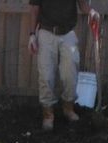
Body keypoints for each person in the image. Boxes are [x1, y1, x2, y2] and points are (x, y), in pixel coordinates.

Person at [27, 0, 101, 131]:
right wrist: (32, 35)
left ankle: (68, 108)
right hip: (46, 33)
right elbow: (34, 9)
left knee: (70, 75)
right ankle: (48, 115)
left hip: (67, 34)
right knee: (46, 76)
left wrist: (91, 11)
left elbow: (82, 4)